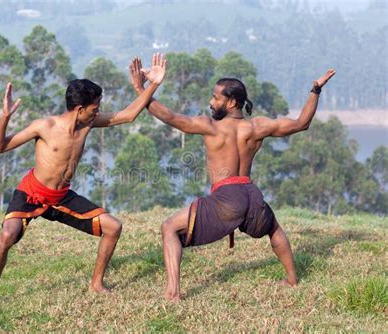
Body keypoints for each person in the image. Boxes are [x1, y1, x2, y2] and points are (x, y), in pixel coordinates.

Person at [129, 57, 335, 302]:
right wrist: (315, 90)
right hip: (251, 194)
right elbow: (302, 123)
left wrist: (140, 89)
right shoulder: (257, 127)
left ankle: (173, 292)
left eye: (216, 98)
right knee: (274, 229)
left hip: (227, 196)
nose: (211, 102)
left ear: (232, 101)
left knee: (169, 227)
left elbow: (170, 117)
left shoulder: (210, 127)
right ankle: (291, 280)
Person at [0, 54, 167, 306]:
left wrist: (153, 84)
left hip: (61, 197)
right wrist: (4, 117)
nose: (98, 111)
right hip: (31, 192)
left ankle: (96, 284)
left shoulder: (88, 124)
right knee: (7, 234)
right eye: (95, 107)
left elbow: (128, 115)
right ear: (80, 109)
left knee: (113, 227)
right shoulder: (44, 126)